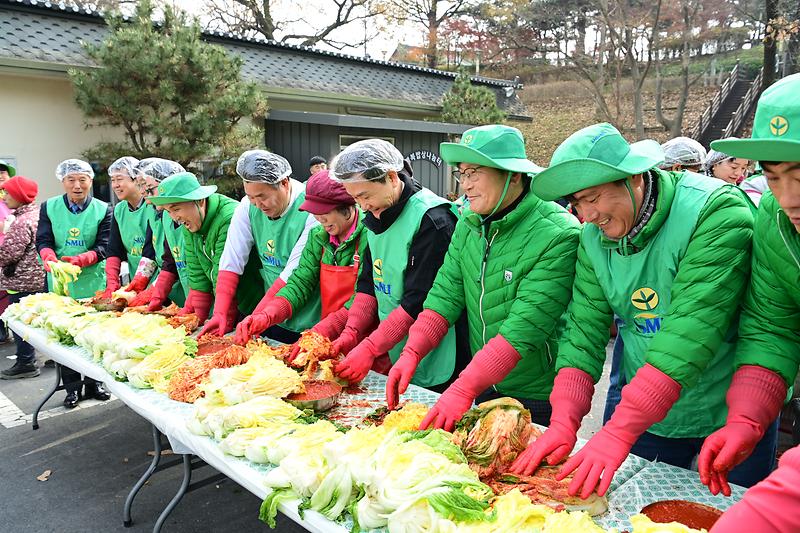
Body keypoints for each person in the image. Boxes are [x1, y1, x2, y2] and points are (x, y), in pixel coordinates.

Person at [509, 122, 761, 500]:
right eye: (575, 204)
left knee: (734, 512)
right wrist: (564, 420)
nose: (586, 215)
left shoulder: (715, 210)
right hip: (650, 413)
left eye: (592, 198)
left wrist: (618, 430)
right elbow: (584, 329)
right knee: (634, 509)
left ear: (633, 177)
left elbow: (689, 331)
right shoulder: (593, 240)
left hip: (729, 410)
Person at [384, 125, 581, 430]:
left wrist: (463, 387)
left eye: (475, 172)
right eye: (462, 173)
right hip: (484, 381)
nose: (466, 185)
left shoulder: (558, 234)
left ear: (513, 174)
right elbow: (445, 295)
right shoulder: (470, 223)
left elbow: (523, 329)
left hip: (537, 393)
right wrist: (412, 352)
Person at [695, 73, 800, 501]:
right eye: (774, 177)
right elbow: (773, 326)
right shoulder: (773, 219)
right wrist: (746, 417)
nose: (789, 197)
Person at [329, 139, 469, 391]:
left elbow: (418, 302)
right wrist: (351, 332)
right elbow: (369, 283)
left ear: (392, 177)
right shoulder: (373, 215)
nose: (362, 206)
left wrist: (371, 348)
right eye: (355, 198)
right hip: (395, 342)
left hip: (440, 351)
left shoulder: (433, 220)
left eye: (365, 195)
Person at [234, 169, 367, 345]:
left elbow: (362, 299)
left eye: (325, 213)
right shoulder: (318, 236)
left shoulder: (370, 236)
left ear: (346, 205)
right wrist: (266, 315)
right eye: (315, 213)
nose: (320, 219)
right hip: (329, 335)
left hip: (362, 336)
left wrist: (321, 330)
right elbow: (300, 283)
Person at [200, 150, 320, 342]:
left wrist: (256, 318)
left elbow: (292, 274)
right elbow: (231, 259)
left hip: (311, 320)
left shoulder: (312, 209)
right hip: (271, 315)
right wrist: (220, 312)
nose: (257, 204)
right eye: (251, 196)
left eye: (262, 196)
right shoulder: (247, 207)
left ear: (284, 183)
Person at [37, 158, 112, 408]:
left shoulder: (104, 209)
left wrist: (87, 257)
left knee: (93, 336)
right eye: (71, 180)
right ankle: (71, 388)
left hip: (92, 282)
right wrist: (47, 255)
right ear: (63, 182)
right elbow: (43, 239)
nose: (77, 186)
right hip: (60, 283)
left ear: (91, 182)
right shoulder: (49, 207)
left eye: (82, 180)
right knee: (65, 337)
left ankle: (94, 384)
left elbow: (105, 245)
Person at [146, 172, 263, 326]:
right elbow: (196, 271)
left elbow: (224, 268)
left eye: (176, 209)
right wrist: (196, 319)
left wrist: (225, 318)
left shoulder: (228, 217)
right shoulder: (191, 222)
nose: (174, 217)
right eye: (168, 211)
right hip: (228, 303)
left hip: (254, 302)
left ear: (199, 200)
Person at [0, 176, 46, 379]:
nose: (4, 197)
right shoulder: (38, 215)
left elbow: (7, 254)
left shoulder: (21, 222)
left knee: (20, 324)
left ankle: (26, 362)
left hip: (23, 283)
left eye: (8, 193)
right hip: (38, 280)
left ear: (19, 195)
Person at [132, 158, 189, 309]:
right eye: (140, 185)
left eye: (147, 186)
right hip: (179, 294)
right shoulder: (161, 214)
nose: (143, 191)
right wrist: (140, 280)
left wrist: (154, 290)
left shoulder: (188, 217)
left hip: (201, 296)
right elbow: (160, 255)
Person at [102, 156, 158, 298]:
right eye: (113, 180)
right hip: (136, 285)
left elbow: (151, 249)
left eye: (119, 179)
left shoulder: (153, 205)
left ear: (136, 179)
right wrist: (112, 282)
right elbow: (114, 249)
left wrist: (143, 281)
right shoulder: (119, 210)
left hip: (159, 283)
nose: (115, 185)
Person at [0, 160, 16, 342]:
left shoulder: (13, 197)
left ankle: (6, 326)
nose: (0, 175)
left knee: (8, 292)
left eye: (3, 172)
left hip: (13, 253)